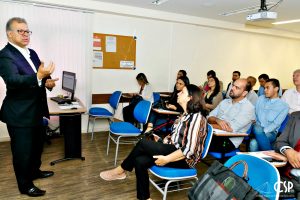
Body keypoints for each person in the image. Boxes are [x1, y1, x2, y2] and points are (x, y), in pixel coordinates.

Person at [100, 84, 208, 200]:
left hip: (184, 160)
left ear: (190, 98)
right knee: (139, 161)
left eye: (182, 92)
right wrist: (160, 140)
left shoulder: (197, 118)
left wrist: (166, 159)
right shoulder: (184, 115)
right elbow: (174, 139)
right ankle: (145, 198)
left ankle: (120, 170)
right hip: (174, 150)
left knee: (143, 143)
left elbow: (189, 150)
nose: (178, 93)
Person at [0, 17, 58, 197]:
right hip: (19, 114)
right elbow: (13, 80)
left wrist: (46, 82)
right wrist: (38, 77)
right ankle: (25, 185)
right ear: (10, 34)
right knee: (22, 153)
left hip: (36, 111)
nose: (26, 35)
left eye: (27, 31)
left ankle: (34, 172)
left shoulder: (31, 52)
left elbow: (37, 79)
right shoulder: (5, 55)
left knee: (36, 148)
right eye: (21, 31)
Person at [208, 78, 255, 152]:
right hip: (212, 135)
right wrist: (217, 120)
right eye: (233, 85)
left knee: (194, 142)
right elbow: (209, 117)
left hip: (228, 141)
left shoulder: (248, 108)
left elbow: (230, 128)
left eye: (237, 88)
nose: (232, 88)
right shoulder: (225, 102)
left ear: (244, 93)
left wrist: (205, 126)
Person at [249, 79, 289, 151]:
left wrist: (262, 131)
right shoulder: (260, 99)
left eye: (267, 88)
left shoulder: (284, 106)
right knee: (257, 129)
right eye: (264, 88)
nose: (265, 90)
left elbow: (276, 124)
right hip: (255, 128)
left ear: (276, 89)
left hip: (271, 132)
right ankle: (270, 158)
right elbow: (254, 113)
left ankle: (264, 159)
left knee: (253, 143)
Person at [273, 111, 300, 199]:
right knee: (255, 188)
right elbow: (280, 141)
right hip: (289, 177)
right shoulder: (295, 116)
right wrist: (287, 151)